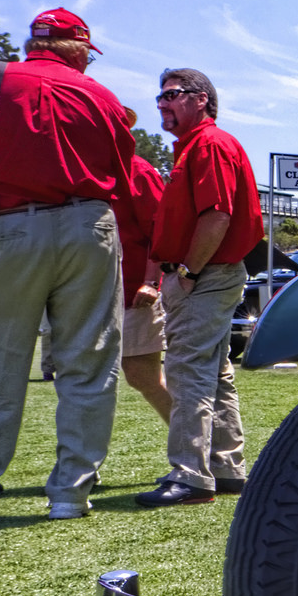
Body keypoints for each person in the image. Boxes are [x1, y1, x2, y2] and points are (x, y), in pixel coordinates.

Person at [0, 8, 153, 522]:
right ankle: (70, 494)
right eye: (87, 53)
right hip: (88, 226)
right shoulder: (100, 96)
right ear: (76, 46)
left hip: (8, 226)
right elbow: (124, 173)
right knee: (90, 363)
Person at [136, 69, 262, 508]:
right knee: (216, 373)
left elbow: (217, 216)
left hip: (204, 276)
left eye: (172, 94)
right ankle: (225, 468)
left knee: (189, 371)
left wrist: (187, 271)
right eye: (160, 96)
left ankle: (190, 476)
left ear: (201, 99)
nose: (162, 104)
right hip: (206, 275)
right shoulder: (194, 148)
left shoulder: (208, 144)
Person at [118, 146, 172, 422]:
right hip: (92, 291)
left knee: (142, 375)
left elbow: (160, 229)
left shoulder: (137, 170)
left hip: (133, 293)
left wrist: (151, 281)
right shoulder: (84, 166)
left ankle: (198, 450)